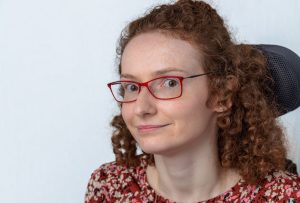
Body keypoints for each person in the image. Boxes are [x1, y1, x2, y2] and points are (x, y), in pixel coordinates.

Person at [85, 0, 300, 202]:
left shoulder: (282, 196)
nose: (141, 108)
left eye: (168, 83)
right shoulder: (108, 187)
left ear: (221, 95)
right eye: (131, 87)